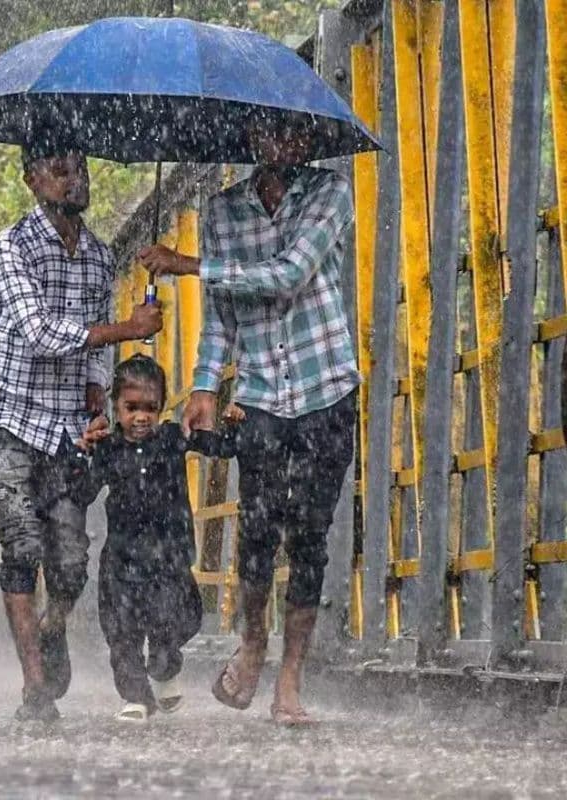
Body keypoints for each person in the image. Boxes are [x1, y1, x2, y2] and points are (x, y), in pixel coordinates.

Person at [138, 118, 359, 726]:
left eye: (293, 133)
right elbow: (222, 318)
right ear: (252, 138)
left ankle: (291, 680)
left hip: (325, 388)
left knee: (309, 540)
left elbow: (289, 273)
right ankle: (255, 642)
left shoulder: (331, 194)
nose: (281, 142)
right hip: (259, 393)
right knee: (257, 535)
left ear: (310, 141)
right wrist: (206, 384)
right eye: (267, 131)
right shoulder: (223, 210)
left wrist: (189, 264)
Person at [0, 142, 163, 723]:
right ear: (32, 179)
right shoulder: (10, 249)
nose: (75, 179)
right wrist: (129, 327)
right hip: (4, 415)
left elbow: (93, 356)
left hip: (62, 424)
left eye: (82, 167)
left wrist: (99, 386)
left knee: (73, 561)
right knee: (23, 545)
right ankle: (35, 688)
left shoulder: (100, 257)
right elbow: (42, 333)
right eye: (60, 170)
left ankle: (51, 629)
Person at [70, 355, 236, 724]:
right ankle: (135, 697)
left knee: (176, 619)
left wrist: (232, 424)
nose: (141, 418)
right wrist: (81, 452)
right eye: (131, 408)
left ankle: (164, 667)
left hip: (170, 557)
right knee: (122, 633)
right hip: (123, 561)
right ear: (115, 407)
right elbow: (81, 492)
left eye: (150, 408)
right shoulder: (108, 448)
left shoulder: (172, 439)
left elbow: (219, 447)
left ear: (162, 409)